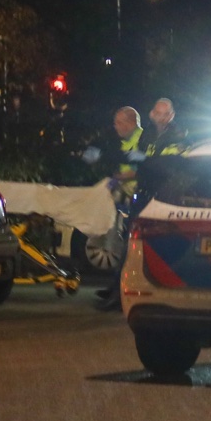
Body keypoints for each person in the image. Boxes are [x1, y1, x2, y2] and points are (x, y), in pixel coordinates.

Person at [95, 106, 143, 309]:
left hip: (140, 198)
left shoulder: (142, 140)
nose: (115, 126)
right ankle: (115, 287)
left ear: (130, 123)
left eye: (119, 122)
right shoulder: (127, 141)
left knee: (129, 248)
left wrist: (118, 178)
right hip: (129, 198)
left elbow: (142, 168)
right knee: (124, 245)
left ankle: (118, 294)